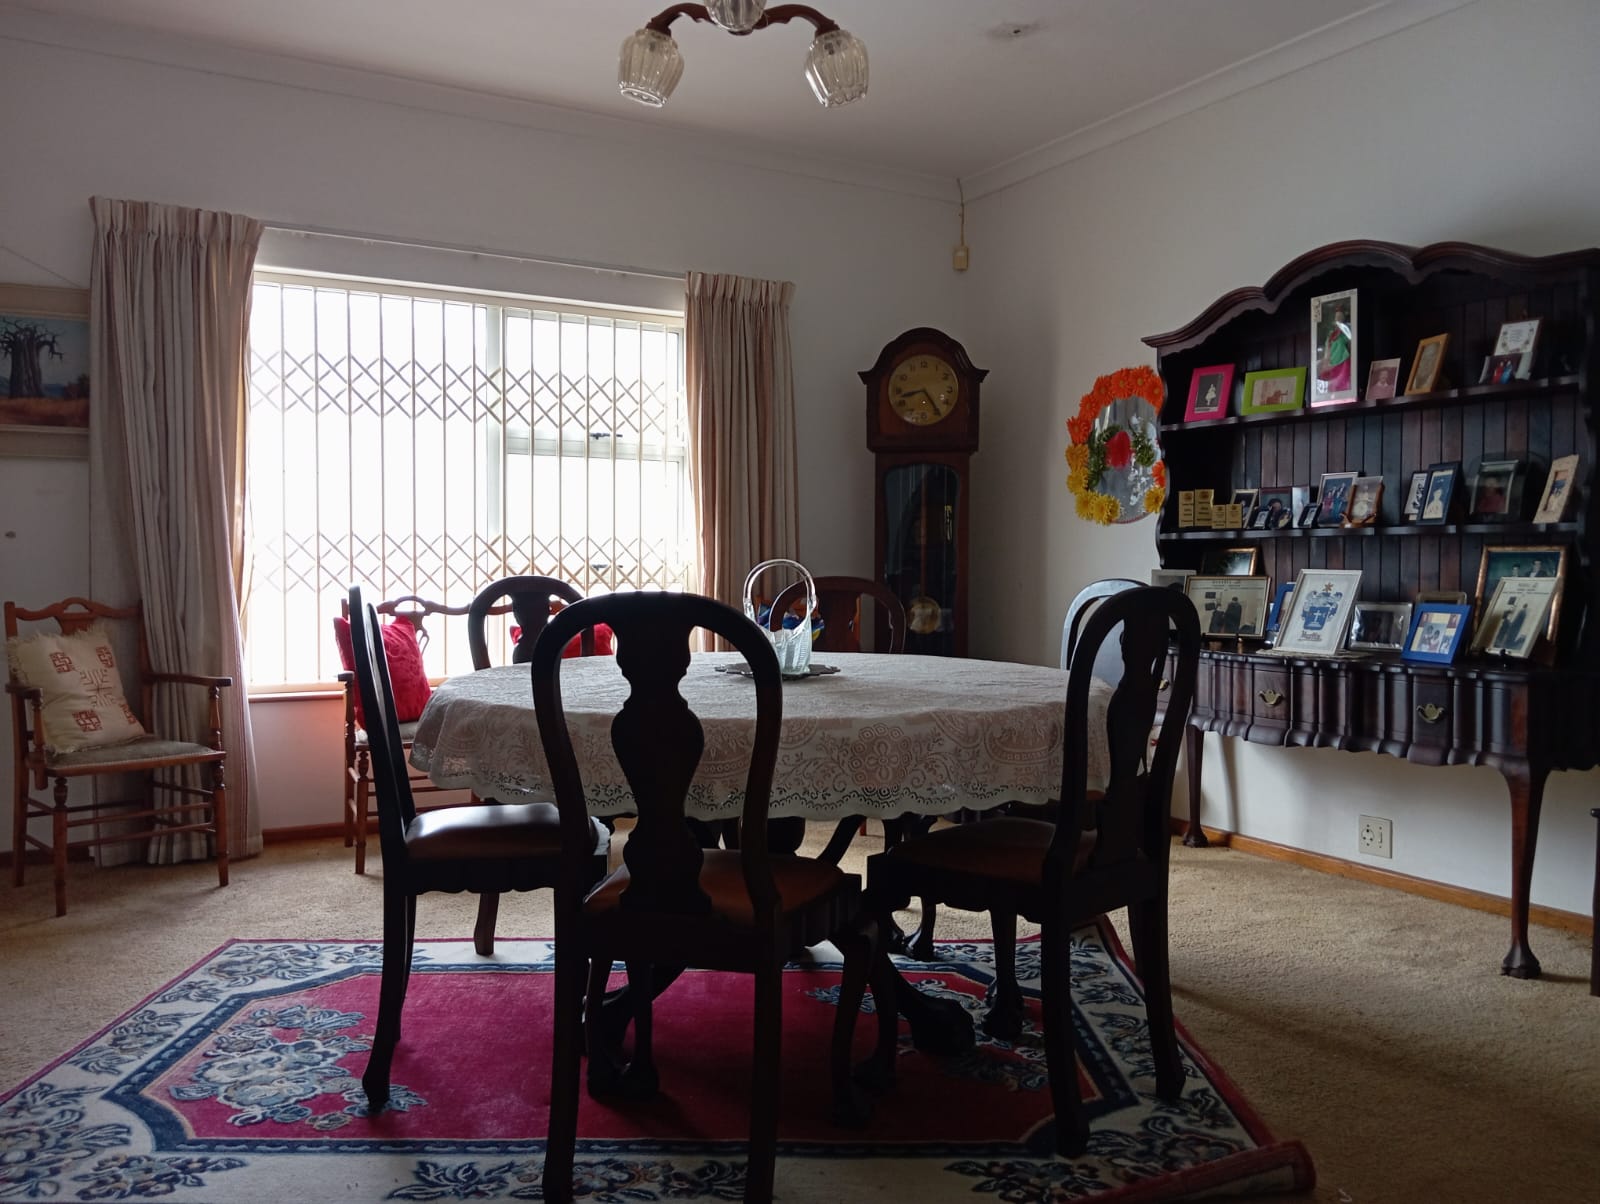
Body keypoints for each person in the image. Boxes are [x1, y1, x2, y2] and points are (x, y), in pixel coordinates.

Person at [1318, 304, 1352, 394]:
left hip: (1342, 360)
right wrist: (1326, 360)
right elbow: (1327, 348)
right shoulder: (1331, 334)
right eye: (1336, 317)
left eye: (1340, 317)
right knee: (1332, 385)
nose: (1338, 319)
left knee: (1342, 382)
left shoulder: (1346, 331)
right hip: (1331, 361)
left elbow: (1350, 341)